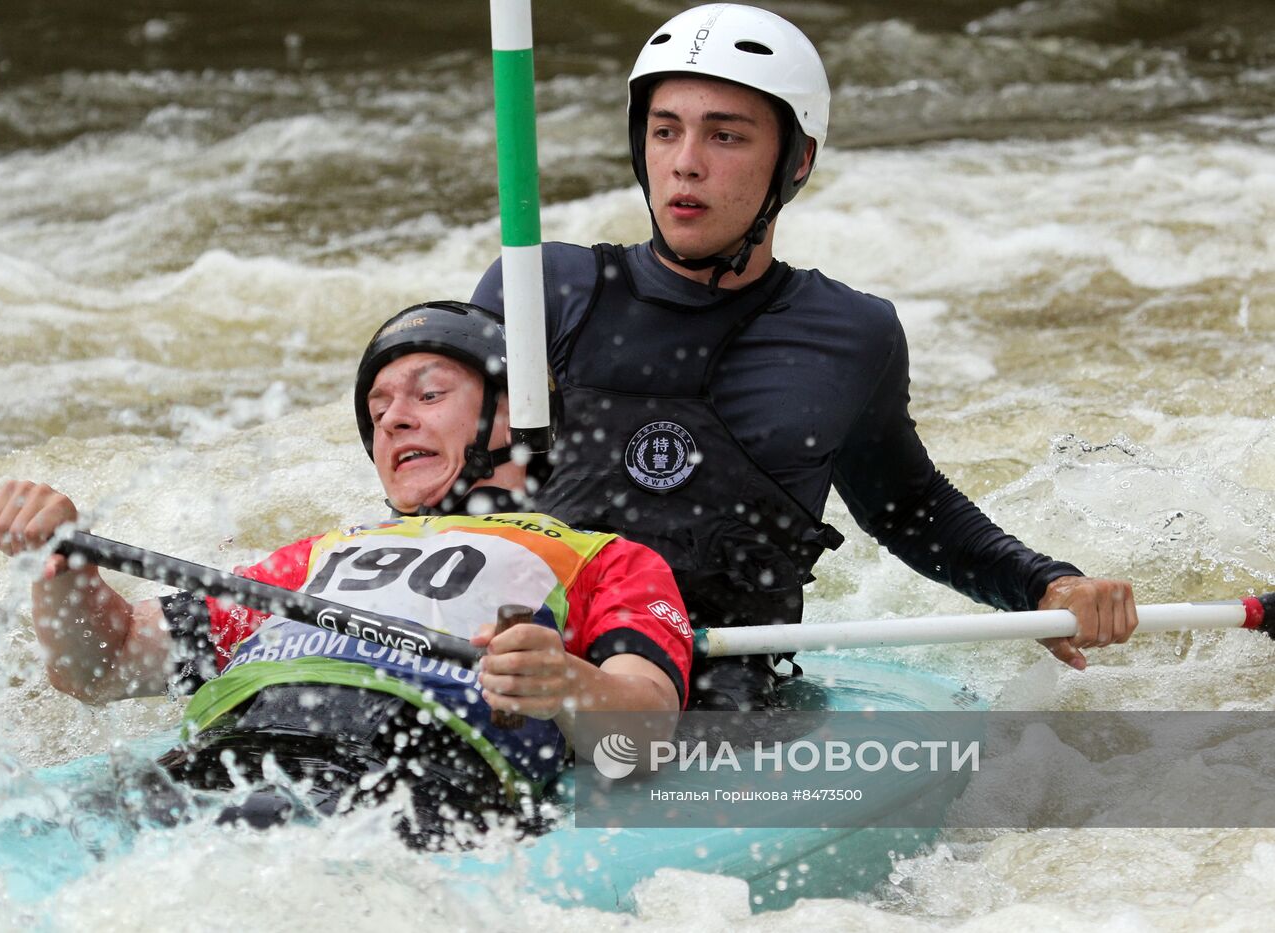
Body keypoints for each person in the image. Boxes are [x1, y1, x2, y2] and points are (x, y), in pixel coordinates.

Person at [471, 3, 1137, 711]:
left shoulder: (849, 332)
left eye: (725, 136)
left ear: (798, 160)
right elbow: (439, 485)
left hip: (724, 694)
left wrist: (1042, 585)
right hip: (522, 672)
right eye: (665, 131)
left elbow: (908, 507)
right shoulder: (540, 288)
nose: (685, 162)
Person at [0, 301, 690, 845]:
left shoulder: (606, 557)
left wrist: (569, 682)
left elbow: (649, 731)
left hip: (420, 774)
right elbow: (100, 668)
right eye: (379, 409)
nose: (392, 421)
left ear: (514, 414)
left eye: (427, 395)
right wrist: (62, 567)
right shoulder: (314, 556)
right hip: (229, 759)